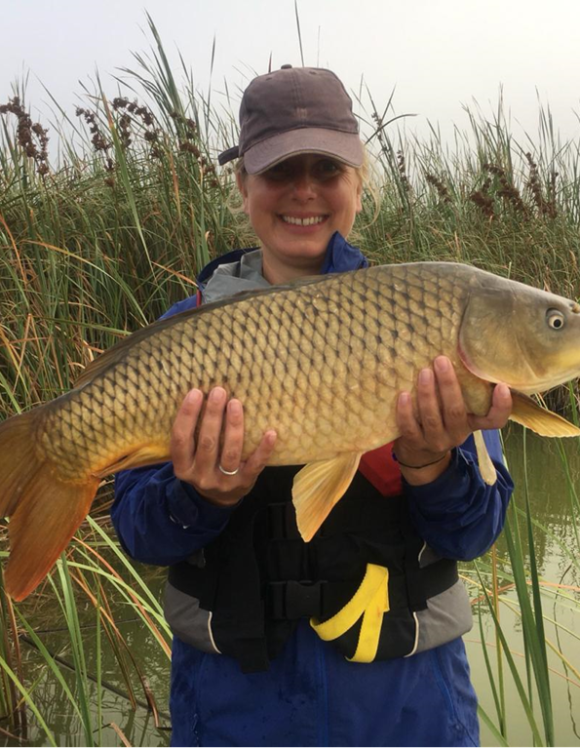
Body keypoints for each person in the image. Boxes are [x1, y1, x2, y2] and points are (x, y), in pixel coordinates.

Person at [111, 65, 514, 748]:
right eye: (278, 170)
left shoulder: (433, 315)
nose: (304, 191)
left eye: (326, 169)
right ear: (242, 186)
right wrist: (200, 496)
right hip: (236, 711)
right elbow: (140, 533)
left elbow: (475, 533)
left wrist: (428, 465)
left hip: (406, 712)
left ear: (359, 181)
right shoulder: (186, 334)